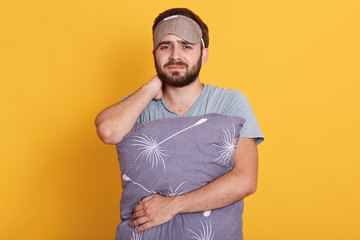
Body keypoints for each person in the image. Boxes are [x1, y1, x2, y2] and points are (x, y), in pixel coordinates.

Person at [95, 7, 263, 238]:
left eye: (186, 46)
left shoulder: (230, 102)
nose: (175, 55)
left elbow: (245, 180)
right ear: (154, 54)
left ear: (203, 55)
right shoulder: (138, 106)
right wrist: (150, 88)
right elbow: (107, 131)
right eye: (166, 46)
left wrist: (173, 205)